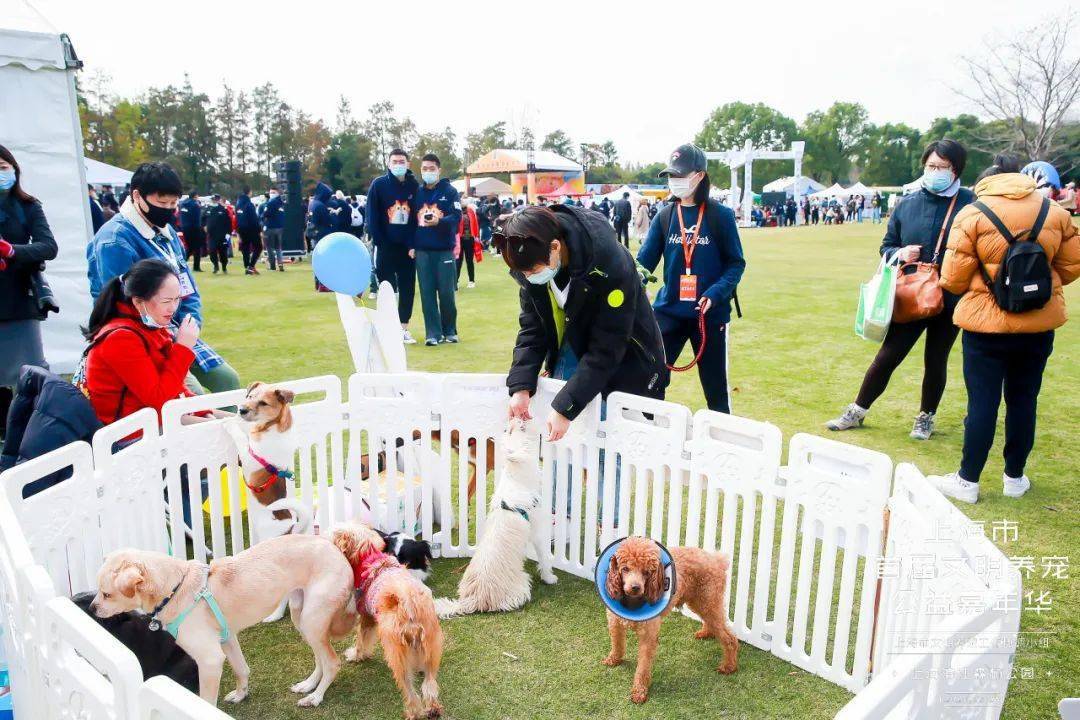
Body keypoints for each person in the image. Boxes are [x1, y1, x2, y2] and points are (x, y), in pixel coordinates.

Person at [927, 156, 1079, 503]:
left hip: (985, 325)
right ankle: (1014, 477)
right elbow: (1072, 264)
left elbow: (953, 279)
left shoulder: (972, 214)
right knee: (1024, 400)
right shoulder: (1053, 211)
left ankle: (968, 480)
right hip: (1037, 323)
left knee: (982, 403)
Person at [827, 139, 975, 440]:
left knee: (936, 359)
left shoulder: (970, 204)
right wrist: (900, 253)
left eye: (943, 167)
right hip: (911, 293)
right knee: (889, 354)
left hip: (950, 296)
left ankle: (925, 417)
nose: (935, 172)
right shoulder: (908, 204)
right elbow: (887, 246)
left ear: (956, 170)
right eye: (931, 166)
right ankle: (857, 409)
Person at [498, 204, 668, 444]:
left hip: (623, 362)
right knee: (563, 446)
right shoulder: (530, 263)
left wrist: (566, 408)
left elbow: (608, 346)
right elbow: (532, 328)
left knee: (607, 447)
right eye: (522, 273)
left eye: (532, 271)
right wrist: (521, 386)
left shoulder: (609, 262)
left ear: (555, 247)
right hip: (570, 353)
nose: (528, 278)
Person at [86, 161, 240, 395]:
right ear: (137, 196)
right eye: (161, 203)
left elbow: (186, 286)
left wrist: (191, 325)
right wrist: (173, 343)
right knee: (193, 397)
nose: (168, 209)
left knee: (227, 380)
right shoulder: (114, 240)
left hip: (174, 330)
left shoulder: (167, 234)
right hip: (140, 337)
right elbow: (124, 305)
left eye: (173, 203)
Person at [638, 143, 746, 413]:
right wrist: (634, 281)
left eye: (680, 175)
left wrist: (715, 293)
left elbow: (736, 264)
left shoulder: (720, 216)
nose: (674, 180)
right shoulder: (664, 216)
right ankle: (650, 431)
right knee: (649, 381)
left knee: (715, 390)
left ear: (699, 176)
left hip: (709, 315)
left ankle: (720, 436)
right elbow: (643, 263)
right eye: (671, 175)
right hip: (668, 313)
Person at [80, 258, 200, 426]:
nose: (173, 308)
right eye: (166, 301)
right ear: (137, 301)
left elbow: (174, 390)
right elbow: (159, 400)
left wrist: (205, 410)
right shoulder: (120, 338)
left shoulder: (148, 323)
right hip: (125, 432)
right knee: (223, 431)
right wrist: (183, 348)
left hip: (147, 420)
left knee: (228, 424)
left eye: (177, 299)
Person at [0, 144, 59, 435]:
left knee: (31, 372)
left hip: (20, 300)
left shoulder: (28, 206)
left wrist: (13, 251)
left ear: (14, 169)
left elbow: (48, 246)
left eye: (3, 168)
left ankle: (33, 432)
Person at [367, 149, 419, 344]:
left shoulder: (414, 186)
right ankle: (386, 328)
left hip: (407, 248)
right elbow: (372, 216)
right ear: (388, 164)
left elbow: (416, 218)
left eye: (401, 161)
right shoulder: (379, 185)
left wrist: (413, 244)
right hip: (385, 246)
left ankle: (402, 328)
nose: (398, 165)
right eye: (395, 161)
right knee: (386, 288)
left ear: (408, 163)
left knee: (407, 288)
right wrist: (380, 242)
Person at [409, 154, 461, 346]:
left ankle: (450, 330)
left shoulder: (450, 191)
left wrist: (440, 221)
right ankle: (433, 333)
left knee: (446, 293)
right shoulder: (417, 193)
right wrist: (411, 245)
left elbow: (456, 217)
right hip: (422, 251)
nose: (428, 172)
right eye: (424, 169)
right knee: (427, 293)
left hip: (444, 250)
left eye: (431, 168)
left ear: (439, 170)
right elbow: (411, 223)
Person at [235, 186, 261, 275]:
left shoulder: (238, 205)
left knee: (245, 248)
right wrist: (259, 230)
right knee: (258, 247)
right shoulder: (249, 204)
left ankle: (247, 267)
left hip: (241, 229)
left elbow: (237, 218)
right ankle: (251, 266)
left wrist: (238, 231)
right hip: (251, 229)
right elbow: (254, 219)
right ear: (250, 192)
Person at [202, 194, 232, 274]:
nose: (214, 200)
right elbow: (202, 219)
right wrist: (204, 226)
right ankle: (215, 266)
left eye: (215, 199)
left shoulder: (223, 209)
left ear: (218, 200)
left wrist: (228, 233)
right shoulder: (208, 209)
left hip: (222, 235)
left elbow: (228, 222)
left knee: (223, 253)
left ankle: (224, 267)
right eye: (213, 199)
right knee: (212, 251)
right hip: (211, 235)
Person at [177, 190, 204, 271]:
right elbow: (197, 218)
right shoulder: (195, 204)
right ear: (195, 196)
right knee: (196, 248)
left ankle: (181, 263)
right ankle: (196, 266)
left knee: (189, 247)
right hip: (194, 228)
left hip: (184, 228)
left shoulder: (182, 204)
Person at [456, 197, 479, 289]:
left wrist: (476, 236)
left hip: (469, 238)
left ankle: (471, 280)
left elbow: (475, 224)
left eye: (464, 201)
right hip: (459, 239)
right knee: (458, 261)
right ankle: (456, 281)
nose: (463, 202)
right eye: (461, 201)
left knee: (469, 261)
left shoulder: (471, 211)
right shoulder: (456, 211)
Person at [262, 186, 286, 271]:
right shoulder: (281, 203)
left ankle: (272, 265)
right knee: (278, 247)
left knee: (269, 247)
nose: (271, 194)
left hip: (270, 227)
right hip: (279, 228)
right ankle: (280, 264)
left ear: (277, 193)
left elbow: (265, 214)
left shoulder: (271, 203)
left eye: (273, 192)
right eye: (270, 192)